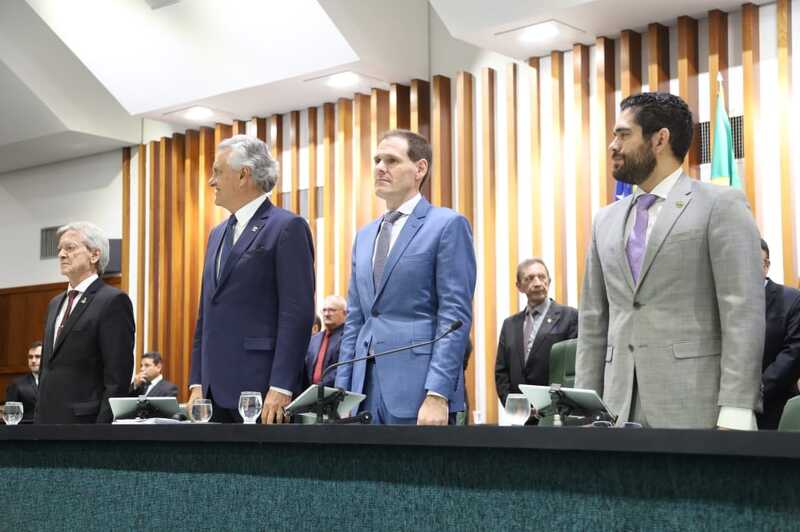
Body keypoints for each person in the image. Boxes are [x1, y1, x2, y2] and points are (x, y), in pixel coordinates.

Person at [575, 92, 764, 429]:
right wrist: (583, 406)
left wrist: (737, 406)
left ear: (660, 139)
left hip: (695, 408)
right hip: (615, 410)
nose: (612, 146)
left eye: (623, 134)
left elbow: (742, 312)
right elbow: (592, 320)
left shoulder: (720, 205)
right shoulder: (605, 220)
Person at [334, 129, 476, 425]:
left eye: (392, 160)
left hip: (419, 390)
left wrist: (438, 393)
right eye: (377, 160)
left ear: (420, 168)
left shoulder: (447, 225)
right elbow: (356, 320)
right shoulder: (364, 236)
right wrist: (341, 392)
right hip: (362, 389)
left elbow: (454, 316)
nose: (380, 167)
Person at [188, 135, 315, 424]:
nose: (211, 181)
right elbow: (206, 314)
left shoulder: (287, 227)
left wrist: (282, 385)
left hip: (261, 391)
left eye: (217, 171)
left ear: (244, 174)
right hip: (211, 392)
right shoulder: (217, 234)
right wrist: (197, 381)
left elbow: (297, 314)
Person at [35, 222, 135, 424]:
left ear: (94, 255)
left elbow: (117, 377)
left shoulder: (112, 301)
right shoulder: (55, 303)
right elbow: (48, 367)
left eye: (70, 248)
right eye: (60, 249)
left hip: (85, 424)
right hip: (46, 421)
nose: (61, 255)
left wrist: (101, 430)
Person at [495, 259, 578, 407]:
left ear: (549, 281)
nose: (537, 283)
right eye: (529, 278)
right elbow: (501, 372)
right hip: (520, 411)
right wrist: (511, 404)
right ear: (519, 286)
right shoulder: (509, 325)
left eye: (542, 277)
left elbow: (573, 369)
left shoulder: (569, 317)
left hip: (555, 409)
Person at [757, 239, 800, 429]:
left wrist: (753, 393)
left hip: (776, 410)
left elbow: (793, 355)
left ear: (766, 265)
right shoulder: (726, 302)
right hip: (726, 409)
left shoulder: (791, 300)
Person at [304, 295, 347, 388]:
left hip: (336, 391)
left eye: (332, 310)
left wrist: (320, 386)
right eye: (324, 310)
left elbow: (344, 368)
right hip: (311, 392)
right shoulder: (314, 339)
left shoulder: (348, 338)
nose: (327, 314)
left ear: (345, 313)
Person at [5, 340, 42, 423]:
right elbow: (10, 417)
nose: (33, 360)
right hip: (26, 429)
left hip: (50, 429)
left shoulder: (54, 382)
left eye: (37, 357)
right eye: (30, 357)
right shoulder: (16, 384)